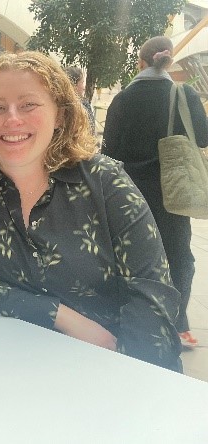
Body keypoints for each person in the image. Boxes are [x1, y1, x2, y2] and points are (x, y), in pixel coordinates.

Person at [0, 51, 182, 371]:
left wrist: (128, 372)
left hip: (113, 366)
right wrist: (59, 315)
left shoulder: (105, 181)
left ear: (61, 116)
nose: (12, 119)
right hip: (9, 367)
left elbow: (153, 299)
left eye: (29, 104)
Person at [102, 36, 208, 349]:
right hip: (173, 194)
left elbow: (110, 150)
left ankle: (133, 321)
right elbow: (202, 137)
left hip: (130, 195)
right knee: (179, 260)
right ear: (168, 61)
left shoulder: (123, 98)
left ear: (141, 62)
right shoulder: (183, 92)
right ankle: (176, 325)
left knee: (131, 259)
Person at [64, 66, 96, 134]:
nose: (83, 87)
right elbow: (91, 133)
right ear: (73, 85)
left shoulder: (56, 106)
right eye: (82, 83)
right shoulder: (84, 107)